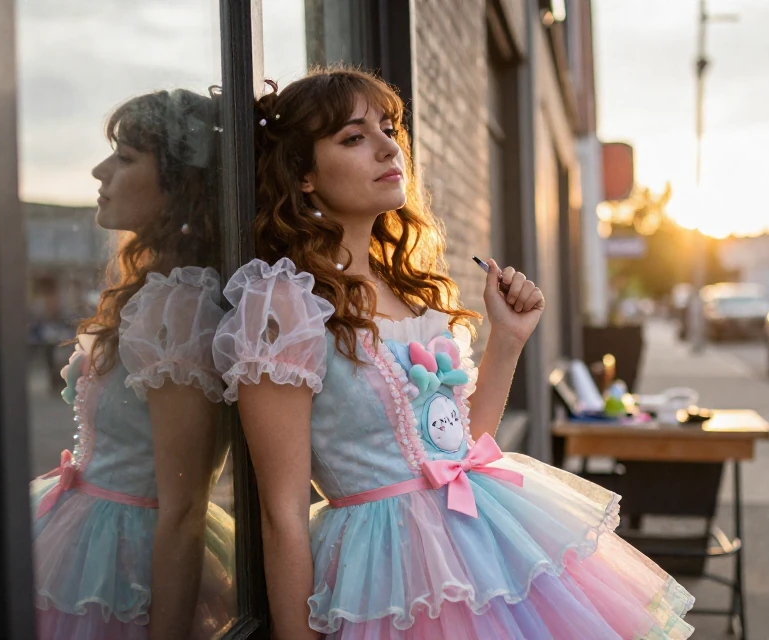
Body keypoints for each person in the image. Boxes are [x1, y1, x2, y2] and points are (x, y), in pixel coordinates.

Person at [212, 68, 694, 639]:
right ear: (304, 175)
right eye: (353, 137)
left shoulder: (413, 291)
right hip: (388, 582)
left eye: (388, 128)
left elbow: (461, 446)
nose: (389, 146)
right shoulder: (286, 307)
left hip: (484, 549)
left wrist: (508, 338)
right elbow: (282, 516)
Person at [30, 88, 235, 640]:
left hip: (119, 563)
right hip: (86, 536)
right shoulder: (157, 293)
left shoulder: (177, 309)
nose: (100, 172)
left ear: (181, 184)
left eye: (123, 158)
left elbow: (185, 506)